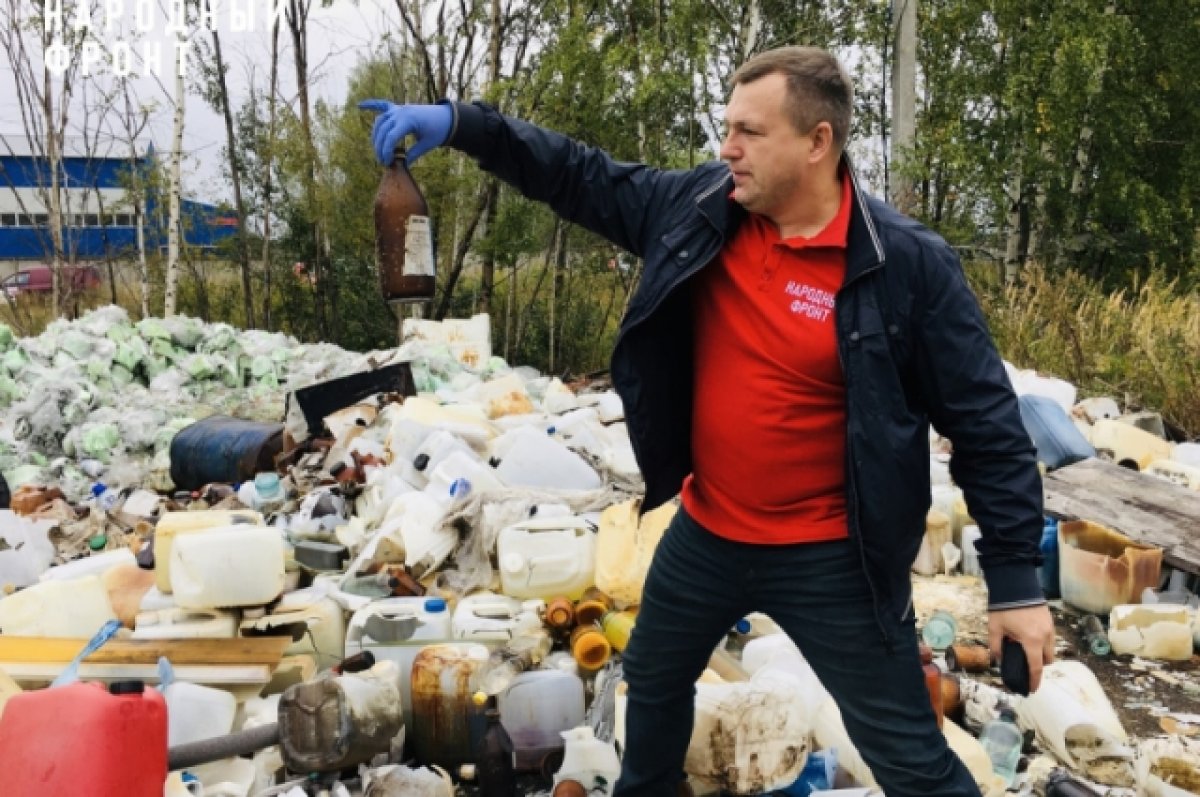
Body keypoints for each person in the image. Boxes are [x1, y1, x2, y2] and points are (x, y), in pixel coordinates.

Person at [361, 45, 1056, 797]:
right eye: (727, 127)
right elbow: (577, 175)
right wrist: (464, 124)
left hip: (834, 556)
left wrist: (1016, 585)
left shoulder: (905, 265)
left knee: (907, 753)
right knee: (654, 684)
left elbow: (987, 423)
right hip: (709, 529)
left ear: (818, 143)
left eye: (750, 132)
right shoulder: (699, 211)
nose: (728, 148)